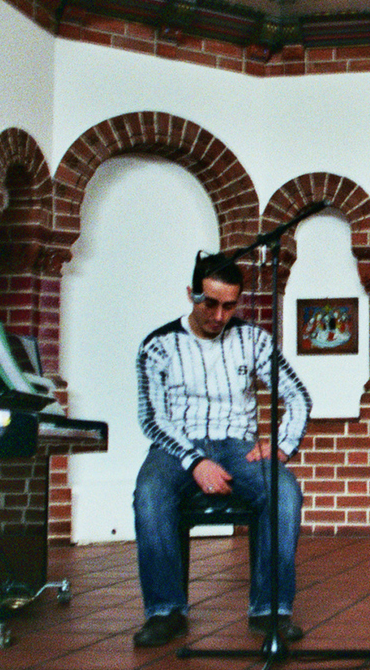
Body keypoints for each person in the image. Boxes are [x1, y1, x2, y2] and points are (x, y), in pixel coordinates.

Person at [130, 256, 311, 648]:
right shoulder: (157, 345)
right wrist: (195, 461)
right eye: (209, 303)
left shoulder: (254, 340)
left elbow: (298, 396)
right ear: (191, 294)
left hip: (237, 447)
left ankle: (270, 612)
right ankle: (165, 612)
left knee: (284, 491)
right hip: (176, 446)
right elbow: (153, 419)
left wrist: (282, 446)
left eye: (229, 306)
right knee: (150, 493)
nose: (218, 315)